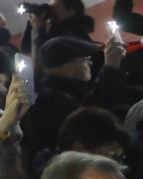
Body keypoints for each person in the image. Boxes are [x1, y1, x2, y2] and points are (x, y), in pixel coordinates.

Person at [22, 36, 125, 169]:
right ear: (66, 65)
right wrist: (110, 69)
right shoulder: (51, 100)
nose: (90, 63)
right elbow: (94, 123)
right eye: (85, 59)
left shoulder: (62, 92)